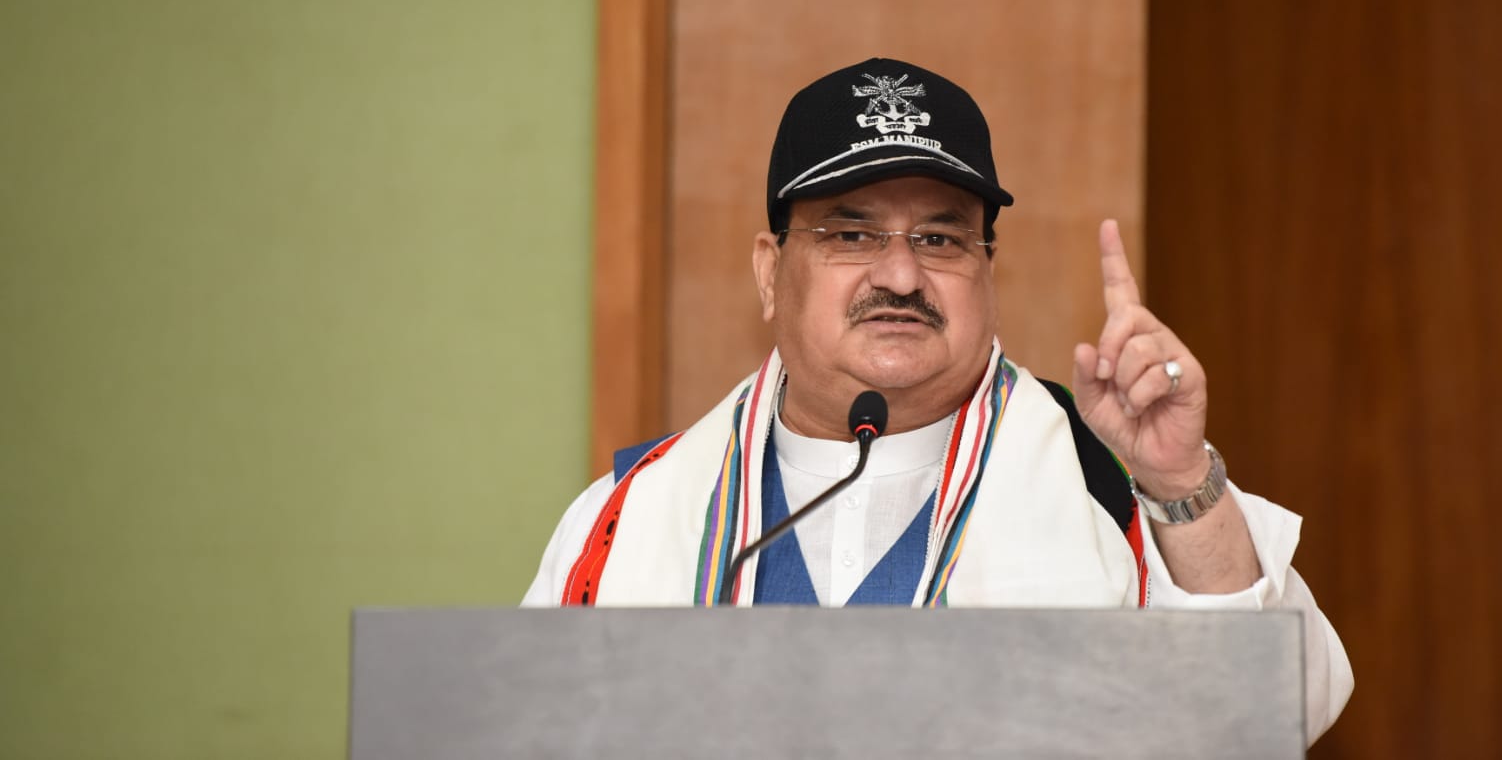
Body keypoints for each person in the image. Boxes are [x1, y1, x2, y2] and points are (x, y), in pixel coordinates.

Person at [523, 58, 1354, 740]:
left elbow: (1277, 717)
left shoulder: (1106, 490)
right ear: (771, 272)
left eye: (941, 237)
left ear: (988, 272)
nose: (899, 274)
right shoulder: (627, 520)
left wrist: (1180, 485)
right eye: (851, 234)